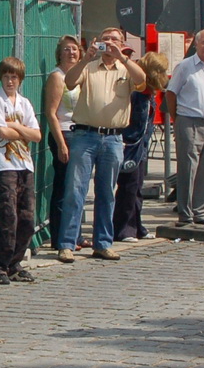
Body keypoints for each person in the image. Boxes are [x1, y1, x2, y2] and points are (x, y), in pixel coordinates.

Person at [57, 28, 146, 262]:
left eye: (114, 40)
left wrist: (123, 57)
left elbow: (142, 81)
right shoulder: (89, 66)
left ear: (122, 43)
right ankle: (67, 243)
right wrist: (86, 57)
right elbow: (69, 81)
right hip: (85, 136)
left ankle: (103, 243)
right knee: (75, 191)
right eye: (105, 39)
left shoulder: (126, 69)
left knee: (106, 193)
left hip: (114, 139)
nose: (109, 43)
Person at [0, 57, 41, 284]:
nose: (10, 81)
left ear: (20, 79)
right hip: (4, 164)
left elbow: (36, 135)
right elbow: (1, 131)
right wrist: (22, 131)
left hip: (25, 163)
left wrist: (16, 126)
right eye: (6, 76)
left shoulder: (24, 104)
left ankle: (15, 263)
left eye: (14, 77)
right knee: (8, 214)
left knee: (27, 216)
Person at [165, 30, 204, 226]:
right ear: (196, 44)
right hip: (188, 120)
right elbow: (171, 93)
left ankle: (200, 212)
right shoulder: (185, 66)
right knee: (188, 168)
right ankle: (186, 214)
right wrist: (176, 119)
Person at [114, 52, 169, 241]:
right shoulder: (138, 93)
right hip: (130, 145)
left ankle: (136, 226)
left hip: (141, 145)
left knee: (137, 187)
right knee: (128, 187)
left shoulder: (148, 94)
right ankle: (123, 229)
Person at [42, 36, 83, 250]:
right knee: (63, 187)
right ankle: (59, 237)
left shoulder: (81, 75)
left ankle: (76, 234)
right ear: (59, 53)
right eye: (66, 49)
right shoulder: (56, 77)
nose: (71, 53)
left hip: (82, 134)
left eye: (74, 49)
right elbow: (51, 112)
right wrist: (61, 144)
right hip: (64, 134)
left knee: (77, 188)